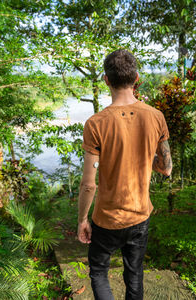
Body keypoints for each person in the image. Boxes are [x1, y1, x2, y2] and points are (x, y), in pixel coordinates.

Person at [77, 49, 172, 300]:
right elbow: (166, 168)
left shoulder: (96, 123)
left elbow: (88, 184)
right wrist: (141, 154)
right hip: (140, 215)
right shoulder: (156, 117)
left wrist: (82, 220)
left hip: (106, 219)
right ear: (137, 78)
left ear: (106, 80)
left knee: (98, 271)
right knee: (134, 274)